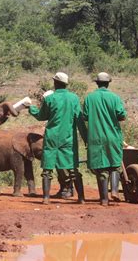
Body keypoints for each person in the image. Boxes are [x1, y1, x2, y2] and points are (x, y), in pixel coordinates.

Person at [28, 72, 87, 204]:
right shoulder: (74, 99)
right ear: (66, 84)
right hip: (68, 138)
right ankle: (81, 198)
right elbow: (80, 121)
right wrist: (86, 139)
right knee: (72, 168)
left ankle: (46, 198)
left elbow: (41, 116)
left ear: (55, 83)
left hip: (51, 137)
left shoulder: (50, 99)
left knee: (47, 169)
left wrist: (31, 109)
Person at [83, 72, 127, 206]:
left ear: (97, 83)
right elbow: (122, 115)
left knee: (101, 167)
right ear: (108, 83)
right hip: (113, 136)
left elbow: (85, 116)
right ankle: (114, 190)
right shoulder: (115, 97)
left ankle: (103, 199)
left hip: (95, 137)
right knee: (114, 164)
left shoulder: (89, 98)